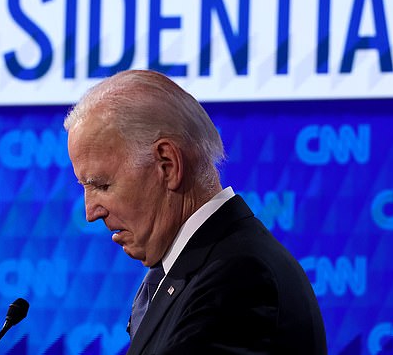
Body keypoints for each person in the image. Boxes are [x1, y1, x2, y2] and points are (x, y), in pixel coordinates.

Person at [63, 69, 327, 354]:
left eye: (102, 185)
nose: (90, 212)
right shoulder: (190, 271)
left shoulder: (239, 278)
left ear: (168, 165)